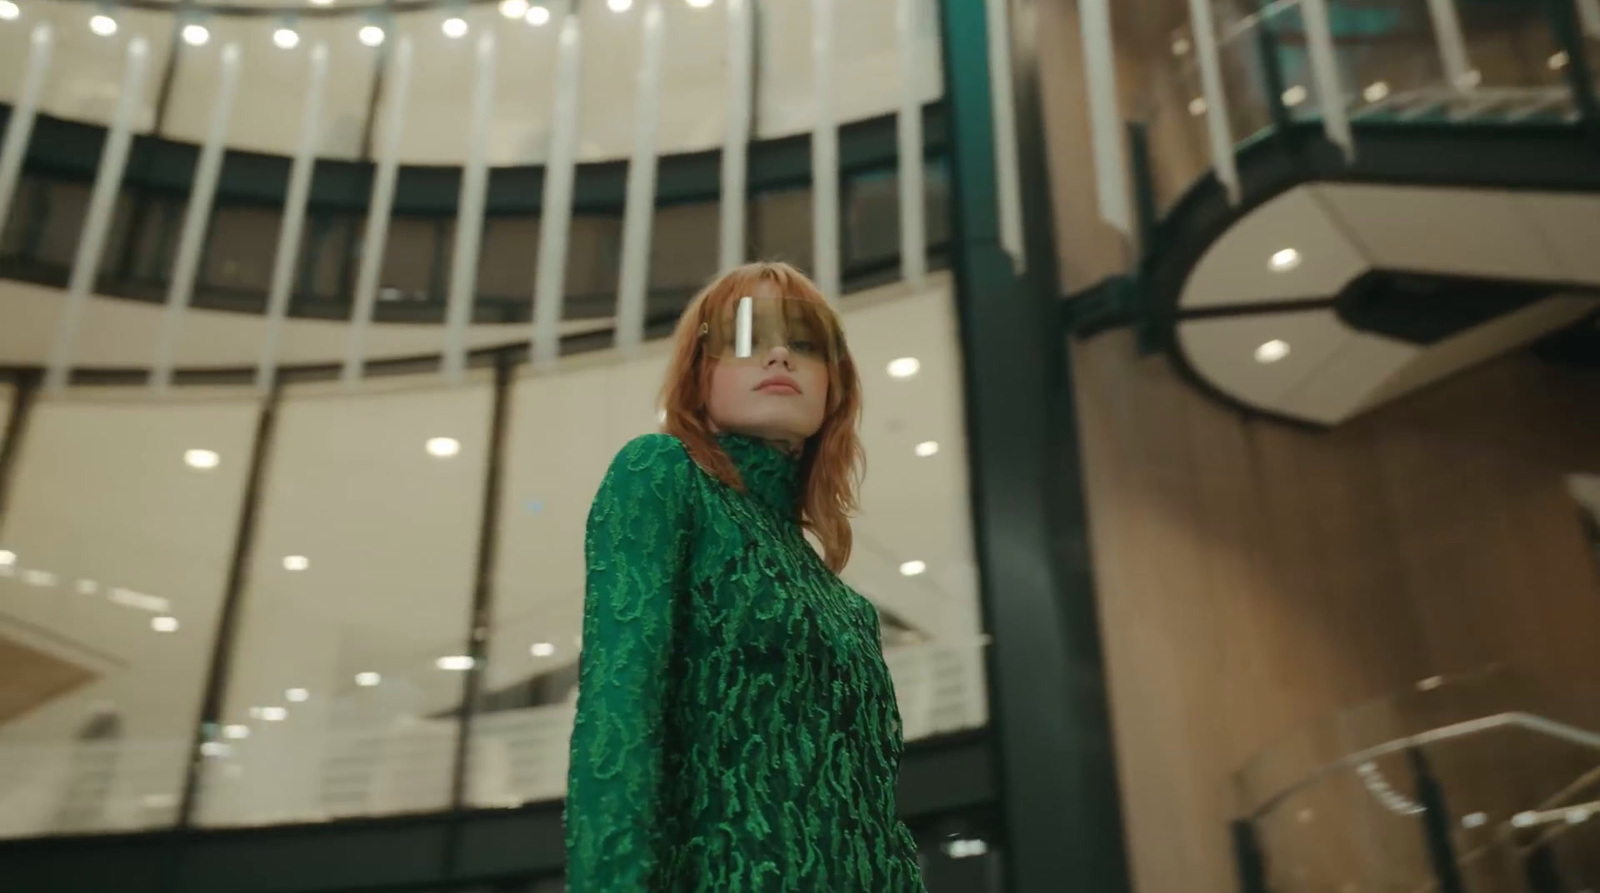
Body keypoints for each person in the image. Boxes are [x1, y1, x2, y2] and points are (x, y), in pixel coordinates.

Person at [564, 262, 926, 891]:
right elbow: (616, 718)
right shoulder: (662, 474)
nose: (780, 354)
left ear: (834, 385)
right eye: (746, 336)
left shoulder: (838, 596)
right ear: (698, 373)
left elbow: (876, 815)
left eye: (805, 342)